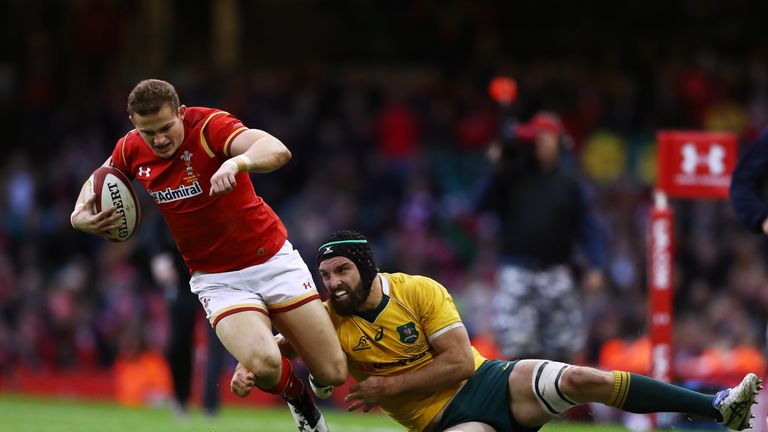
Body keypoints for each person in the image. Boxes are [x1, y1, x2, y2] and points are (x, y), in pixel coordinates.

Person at [230, 230, 761, 432]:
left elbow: (461, 363)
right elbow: (279, 345)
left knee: (580, 378)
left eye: (341, 271)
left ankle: (718, 408)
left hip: (487, 383)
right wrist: (248, 367)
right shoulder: (327, 317)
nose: (332, 284)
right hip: (439, 421)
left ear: (365, 266)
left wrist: (385, 387)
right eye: (324, 276)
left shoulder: (419, 290)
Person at [70, 79, 347, 432]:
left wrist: (238, 163)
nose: (159, 139)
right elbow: (97, 180)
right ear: (134, 124)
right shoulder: (130, 148)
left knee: (333, 372)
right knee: (264, 364)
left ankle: (292, 351)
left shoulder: (209, 127)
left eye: (166, 127)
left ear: (181, 113)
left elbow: (276, 149)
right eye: (148, 131)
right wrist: (79, 216)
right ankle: (301, 402)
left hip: (273, 260)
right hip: (216, 278)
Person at [476, 110, 607, 362]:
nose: (542, 142)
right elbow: (478, 205)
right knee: (516, 345)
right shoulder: (511, 176)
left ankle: (562, 400)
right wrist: (496, 167)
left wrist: (597, 265)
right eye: (538, 137)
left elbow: (588, 226)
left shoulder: (570, 183)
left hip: (557, 270)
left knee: (564, 347)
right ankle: (517, 399)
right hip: (517, 268)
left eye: (547, 136)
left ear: (560, 142)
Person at [146, 210, 227, 417]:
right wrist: (158, 259)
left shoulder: (208, 202)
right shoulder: (167, 202)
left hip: (212, 281)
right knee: (179, 344)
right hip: (181, 284)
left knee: (217, 343)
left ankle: (210, 406)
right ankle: (181, 400)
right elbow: (155, 230)